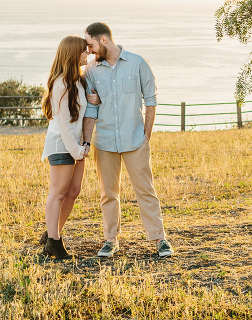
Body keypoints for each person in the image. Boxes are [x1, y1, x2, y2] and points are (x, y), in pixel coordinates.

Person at [82, 22, 173, 258]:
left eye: (90, 45)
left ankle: (159, 239)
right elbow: (91, 110)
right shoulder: (90, 70)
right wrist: (86, 141)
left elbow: (151, 100)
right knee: (108, 193)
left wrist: (146, 136)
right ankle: (110, 240)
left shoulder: (137, 63)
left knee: (146, 190)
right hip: (104, 141)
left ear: (103, 39)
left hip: (135, 140)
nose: (88, 51)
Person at [39, 35, 100, 259]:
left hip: (76, 145)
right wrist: (75, 150)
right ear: (73, 54)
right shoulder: (61, 82)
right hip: (61, 143)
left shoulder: (78, 81)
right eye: (84, 51)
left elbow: (82, 111)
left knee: (73, 192)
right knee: (58, 193)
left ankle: (51, 234)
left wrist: (94, 100)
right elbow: (63, 122)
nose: (88, 54)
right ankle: (54, 243)